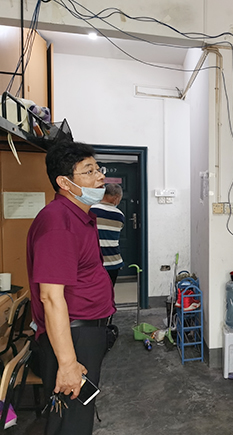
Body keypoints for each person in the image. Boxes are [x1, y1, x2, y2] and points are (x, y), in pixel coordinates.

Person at [27, 140, 116, 435]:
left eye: (98, 169)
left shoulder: (79, 216)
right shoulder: (58, 222)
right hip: (73, 334)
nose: (100, 176)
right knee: (71, 422)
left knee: (77, 416)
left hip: (84, 331)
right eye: (89, 171)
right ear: (64, 182)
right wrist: (67, 363)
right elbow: (51, 298)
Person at [91, 183, 125, 286]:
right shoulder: (120, 215)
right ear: (117, 198)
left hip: (93, 262)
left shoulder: (90, 210)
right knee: (109, 291)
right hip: (113, 261)